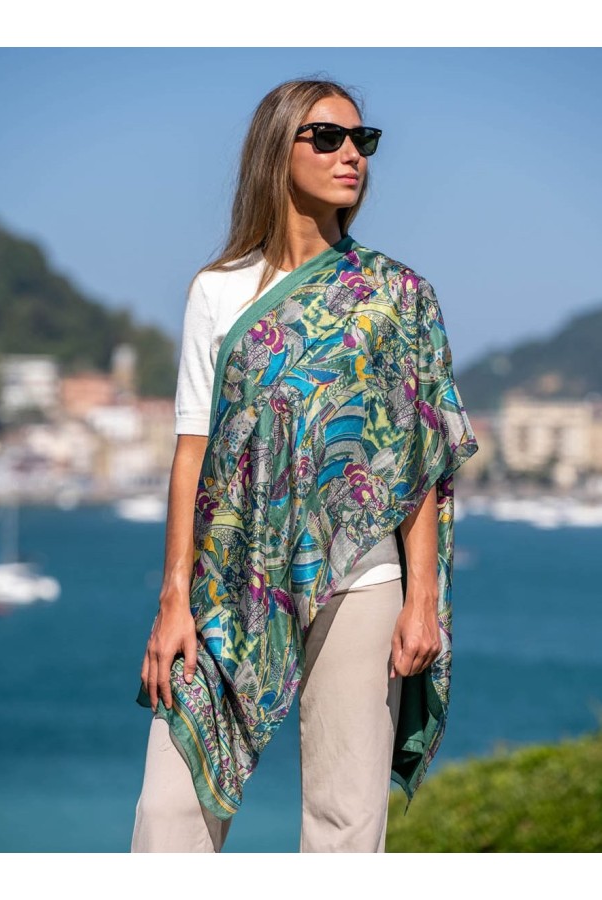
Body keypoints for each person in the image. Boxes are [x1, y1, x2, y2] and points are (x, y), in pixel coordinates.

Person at [130, 77, 479, 854]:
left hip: (362, 576)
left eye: (362, 140)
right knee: (168, 812)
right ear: (276, 148)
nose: (351, 153)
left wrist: (422, 601)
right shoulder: (216, 291)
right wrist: (172, 601)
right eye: (327, 137)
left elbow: (418, 460)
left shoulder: (394, 296)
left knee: (344, 818)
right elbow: (192, 449)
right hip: (231, 581)